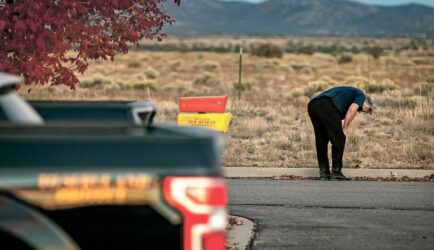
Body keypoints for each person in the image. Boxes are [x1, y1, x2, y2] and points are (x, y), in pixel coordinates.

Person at [307, 86, 374, 181]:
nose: (359, 110)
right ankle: (336, 173)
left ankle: (324, 173)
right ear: (366, 102)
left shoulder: (346, 97)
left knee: (321, 141)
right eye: (361, 108)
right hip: (327, 106)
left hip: (313, 105)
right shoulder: (361, 95)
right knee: (339, 138)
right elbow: (352, 110)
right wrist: (345, 129)